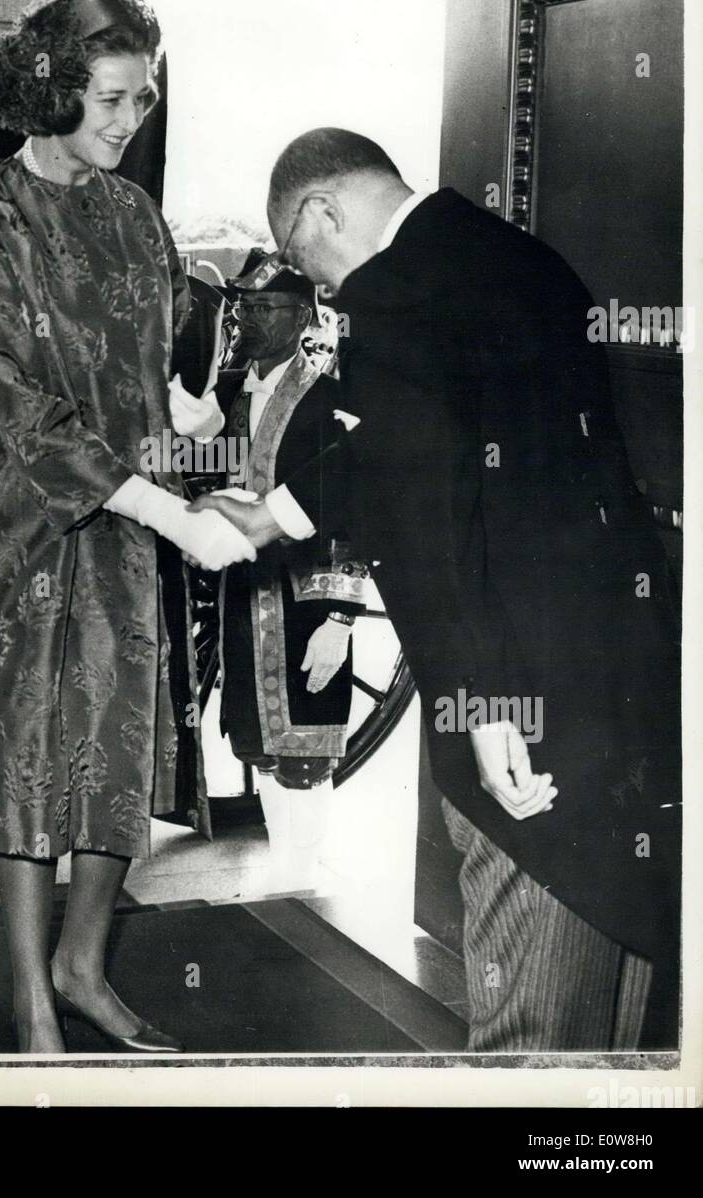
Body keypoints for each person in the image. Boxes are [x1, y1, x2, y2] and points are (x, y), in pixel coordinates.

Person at [193, 128, 681, 1051]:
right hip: (618, 663)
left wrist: (487, 703)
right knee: (620, 973)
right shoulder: (521, 260)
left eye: (310, 263)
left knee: (533, 1004)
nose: (325, 290)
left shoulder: (395, 295)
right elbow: (408, 440)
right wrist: (277, 513)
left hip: (517, 683)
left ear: (323, 212)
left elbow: (429, 520)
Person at [0, 0, 254, 1055]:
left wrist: (195, 436)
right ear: (52, 89)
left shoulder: (134, 214)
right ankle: (30, 998)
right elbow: (25, 415)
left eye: (142, 100)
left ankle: (82, 966)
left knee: (115, 743)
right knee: (28, 755)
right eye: (110, 99)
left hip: (123, 529)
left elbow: (147, 381)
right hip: (17, 529)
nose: (127, 121)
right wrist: (168, 510)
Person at [212, 252, 371, 893]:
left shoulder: (327, 397)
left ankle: (297, 880)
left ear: (302, 316)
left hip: (307, 599)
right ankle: (285, 876)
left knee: (304, 747)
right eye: (242, 306)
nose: (246, 317)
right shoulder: (228, 392)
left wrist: (341, 619)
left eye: (263, 307)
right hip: (244, 597)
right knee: (261, 739)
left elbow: (359, 508)